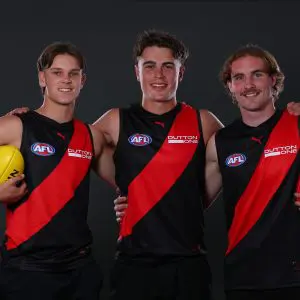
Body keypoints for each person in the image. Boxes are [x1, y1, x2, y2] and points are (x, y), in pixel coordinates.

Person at [92, 29, 224, 300]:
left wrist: (293, 118)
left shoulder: (203, 121)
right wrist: (27, 120)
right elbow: (65, 147)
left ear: (181, 73)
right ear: (137, 72)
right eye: (149, 66)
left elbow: (252, 153)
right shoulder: (116, 121)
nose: (159, 75)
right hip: (134, 263)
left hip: (189, 262)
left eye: (168, 67)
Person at [0, 42, 115, 300]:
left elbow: (131, 183)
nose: (66, 80)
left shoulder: (91, 136)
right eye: (57, 72)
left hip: (80, 271)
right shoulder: (16, 126)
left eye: (73, 73)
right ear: (42, 78)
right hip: (26, 271)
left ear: (82, 80)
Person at [204, 44, 299, 299]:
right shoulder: (220, 142)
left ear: (273, 80)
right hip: (243, 274)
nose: (249, 84)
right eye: (239, 77)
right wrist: (132, 204)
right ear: (230, 86)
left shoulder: (297, 124)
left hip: (294, 275)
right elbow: (191, 203)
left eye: (257, 74)